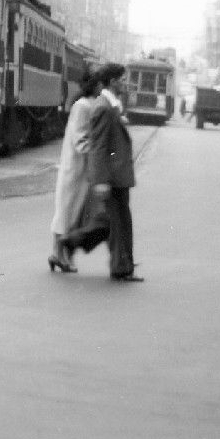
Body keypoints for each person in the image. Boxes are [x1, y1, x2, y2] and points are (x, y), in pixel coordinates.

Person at [48, 67, 108, 273]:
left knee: (74, 214)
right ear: (95, 84)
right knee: (67, 212)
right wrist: (97, 153)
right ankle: (59, 255)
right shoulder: (82, 106)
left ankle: (61, 255)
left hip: (81, 169)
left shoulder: (88, 104)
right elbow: (80, 138)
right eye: (100, 83)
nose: (103, 86)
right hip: (75, 168)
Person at [87, 63, 143, 282]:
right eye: (122, 79)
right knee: (117, 224)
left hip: (117, 176)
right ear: (112, 82)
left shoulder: (111, 106)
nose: (125, 83)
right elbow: (98, 146)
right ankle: (120, 267)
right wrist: (100, 180)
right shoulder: (103, 107)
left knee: (122, 222)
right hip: (111, 178)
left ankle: (124, 264)